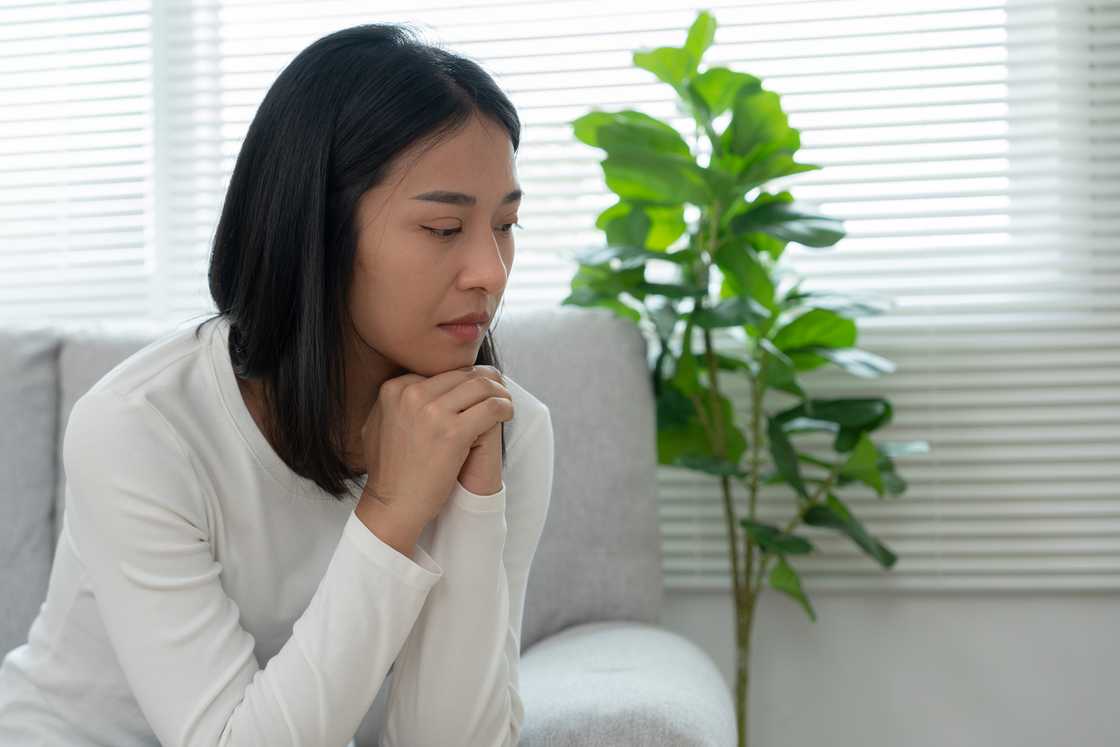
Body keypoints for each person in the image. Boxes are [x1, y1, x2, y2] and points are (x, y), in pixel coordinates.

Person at [0, 22, 554, 747]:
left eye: (505, 224)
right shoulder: (139, 428)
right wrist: (390, 510)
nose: (490, 269)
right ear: (317, 230)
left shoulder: (508, 427)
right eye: (445, 228)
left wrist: (473, 507)